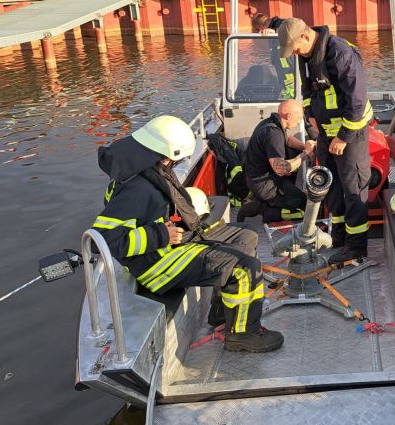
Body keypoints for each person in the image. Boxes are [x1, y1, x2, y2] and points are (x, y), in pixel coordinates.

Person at [93, 115, 284, 353]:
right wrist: (160, 234)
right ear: (165, 156)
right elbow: (103, 241)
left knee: (245, 236)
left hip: (169, 246)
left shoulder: (145, 170)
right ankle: (243, 333)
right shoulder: (136, 189)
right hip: (158, 264)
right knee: (244, 267)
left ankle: (220, 311)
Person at [277, 18, 373, 264]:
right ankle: (338, 236)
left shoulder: (340, 54)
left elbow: (357, 100)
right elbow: (308, 92)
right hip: (325, 133)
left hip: (350, 134)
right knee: (330, 185)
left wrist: (343, 136)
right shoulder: (306, 57)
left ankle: (356, 248)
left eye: (296, 48)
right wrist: (310, 117)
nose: (295, 54)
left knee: (354, 189)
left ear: (306, 37)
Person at [244, 99, 314, 219]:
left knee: (293, 150)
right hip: (264, 184)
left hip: (259, 178)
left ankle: (275, 197)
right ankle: (262, 209)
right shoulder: (273, 133)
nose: (299, 122)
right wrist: (306, 153)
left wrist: (304, 146)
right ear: (289, 115)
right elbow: (280, 169)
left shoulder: (272, 123)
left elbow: (287, 139)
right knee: (303, 203)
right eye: (299, 118)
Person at [253, 12, 295, 98]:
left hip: (293, 84)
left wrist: (276, 32)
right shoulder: (272, 33)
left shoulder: (281, 26)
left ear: (260, 27)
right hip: (286, 82)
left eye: (259, 31)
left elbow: (294, 35)